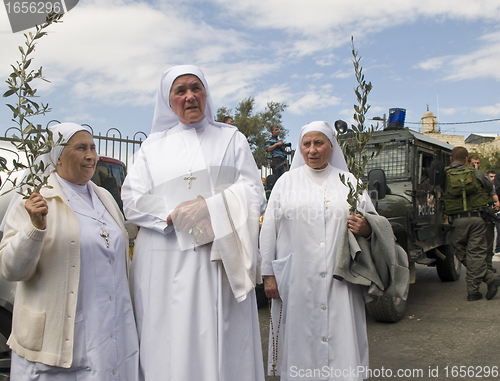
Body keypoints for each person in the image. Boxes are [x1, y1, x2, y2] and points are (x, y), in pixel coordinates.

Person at [121, 65, 266, 381]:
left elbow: (255, 191)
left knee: (220, 337)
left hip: (217, 257)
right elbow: (131, 199)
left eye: (195, 88)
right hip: (163, 260)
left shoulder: (231, 139)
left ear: (206, 93)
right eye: (180, 91)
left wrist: (210, 207)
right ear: (168, 100)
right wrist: (172, 213)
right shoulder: (152, 146)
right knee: (167, 337)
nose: (189, 97)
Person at [0, 123, 139, 380]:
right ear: (58, 156)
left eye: (93, 147)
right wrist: (35, 228)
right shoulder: (35, 198)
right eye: (81, 148)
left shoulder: (104, 197)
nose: (91, 155)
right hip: (61, 339)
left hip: (108, 331)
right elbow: (11, 269)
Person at [260, 121, 397, 381]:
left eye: (319, 143)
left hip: (341, 279)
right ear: (300, 148)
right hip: (297, 279)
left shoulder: (350, 183)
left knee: (341, 337)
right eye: (306, 144)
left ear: (331, 147)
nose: (312, 150)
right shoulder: (285, 183)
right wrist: (268, 274)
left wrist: (366, 227)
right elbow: (269, 229)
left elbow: (374, 223)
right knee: (301, 338)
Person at [444, 147, 500, 301]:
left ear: (450, 159)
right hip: (477, 219)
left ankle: (474, 291)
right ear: (466, 160)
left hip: (457, 221)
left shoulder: (445, 175)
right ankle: (487, 278)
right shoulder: (478, 174)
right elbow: (491, 189)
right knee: (476, 253)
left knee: (460, 253)